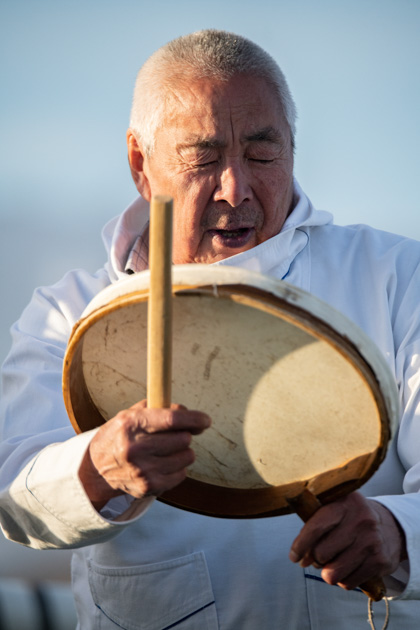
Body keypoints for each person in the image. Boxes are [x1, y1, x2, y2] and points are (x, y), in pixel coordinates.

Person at [1, 29, 420, 629]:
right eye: (203, 158)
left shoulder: (398, 278)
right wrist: (100, 466)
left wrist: (397, 532)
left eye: (262, 154)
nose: (236, 188)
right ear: (140, 165)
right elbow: (13, 495)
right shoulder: (70, 312)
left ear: (293, 148)